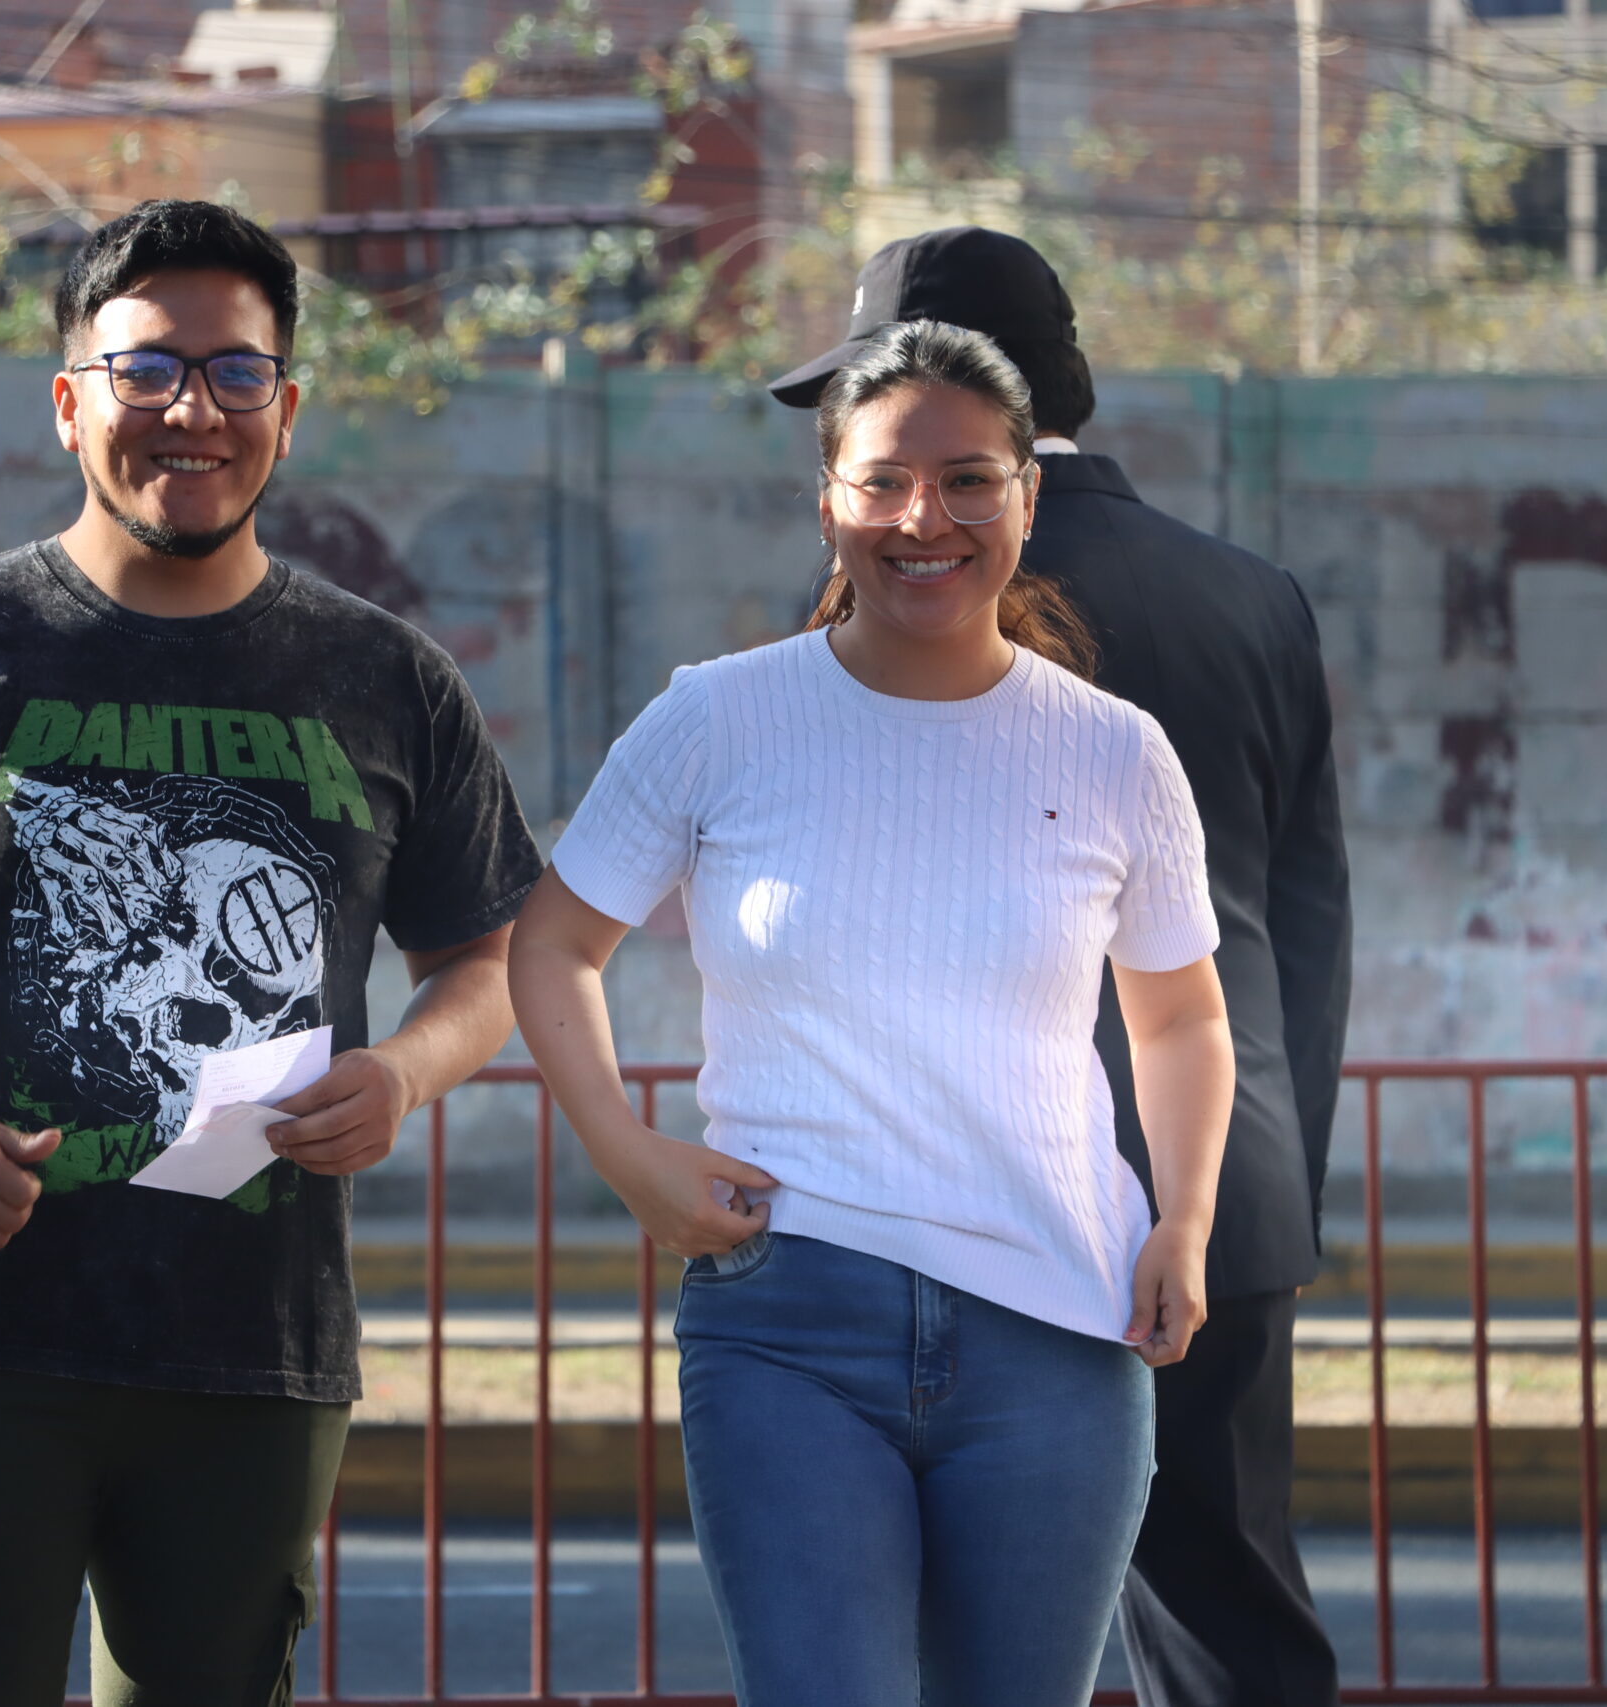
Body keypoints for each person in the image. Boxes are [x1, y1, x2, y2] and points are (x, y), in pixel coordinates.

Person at [0, 198, 542, 1707]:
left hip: (253, 1342)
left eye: (237, 373)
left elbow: (484, 965)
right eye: (147, 370)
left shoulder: (387, 679)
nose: (193, 411)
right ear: (70, 402)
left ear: (286, 407)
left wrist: (405, 1077)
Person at [509, 321, 1236, 1707]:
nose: (925, 520)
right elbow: (553, 946)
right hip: (787, 1318)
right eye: (885, 482)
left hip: (1056, 1326)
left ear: (1028, 496)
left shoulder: (1116, 751)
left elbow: (1181, 1020)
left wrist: (1187, 1219)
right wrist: (627, 1152)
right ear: (828, 499)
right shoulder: (718, 719)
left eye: (968, 482)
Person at [770, 227, 1353, 1707]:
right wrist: (1254, 1187)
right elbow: (1308, 928)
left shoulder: (889, 590)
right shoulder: (1255, 596)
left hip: (965, 1201)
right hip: (1215, 1199)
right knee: (1230, 1619)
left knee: (947, 1635)